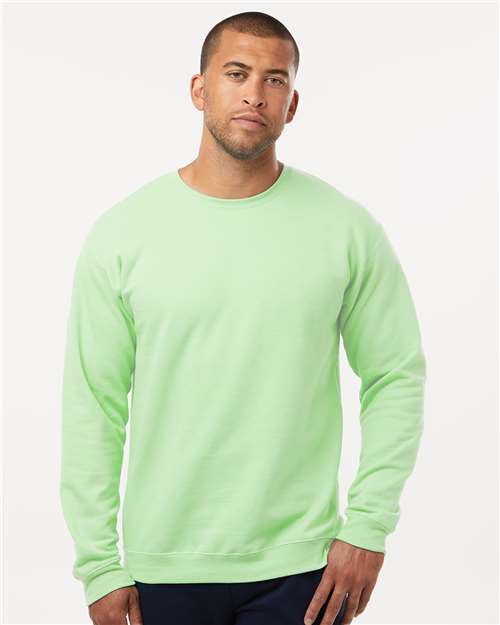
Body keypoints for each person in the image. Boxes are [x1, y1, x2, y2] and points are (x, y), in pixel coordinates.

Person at [59, 10, 426, 625]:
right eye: (236, 73)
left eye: (274, 79)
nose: (255, 93)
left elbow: (396, 376)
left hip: (305, 566)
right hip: (163, 567)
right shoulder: (122, 235)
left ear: (293, 103)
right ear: (199, 89)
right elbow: (93, 405)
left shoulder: (345, 229)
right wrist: (99, 564)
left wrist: (368, 527)